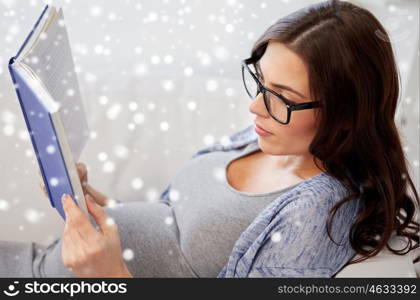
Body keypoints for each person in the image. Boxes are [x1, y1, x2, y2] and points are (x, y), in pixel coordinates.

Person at [1, 0, 418, 278]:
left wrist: (110, 273)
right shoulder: (271, 136)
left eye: (282, 98)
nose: (256, 107)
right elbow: (174, 225)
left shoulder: (313, 218)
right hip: (34, 260)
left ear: (345, 116)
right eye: (260, 82)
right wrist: (92, 203)